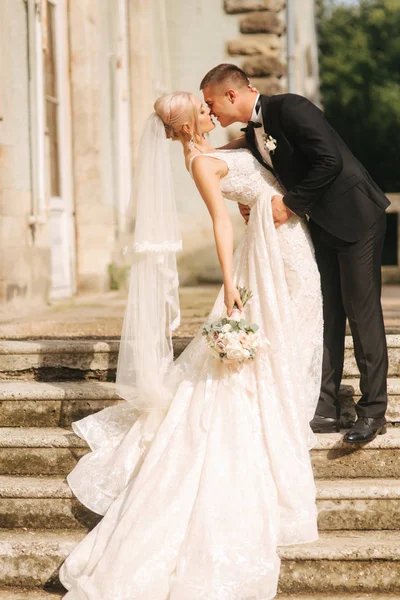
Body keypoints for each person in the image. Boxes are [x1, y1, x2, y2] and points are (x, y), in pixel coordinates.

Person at [59, 90, 323, 599]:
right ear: (186, 127)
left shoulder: (212, 147)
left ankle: (290, 401)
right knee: (291, 327)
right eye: (201, 109)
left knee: (302, 323)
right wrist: (230, 288)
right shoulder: (201, 162)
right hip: (268, 253)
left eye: (209, 105)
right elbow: (221, 225)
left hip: (283, 238)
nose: (210, 109)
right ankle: (286, 407)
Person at [201, 63, 389, 444]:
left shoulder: (290, 108)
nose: (211, 111)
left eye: (211, 102)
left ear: (232, 95)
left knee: (361, 312)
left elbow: (329, 160)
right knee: (327, 313)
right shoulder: (252, 134)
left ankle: (373, 413)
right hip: (317, 227)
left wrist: (288, 204)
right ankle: (325, 407)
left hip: (356, 218)